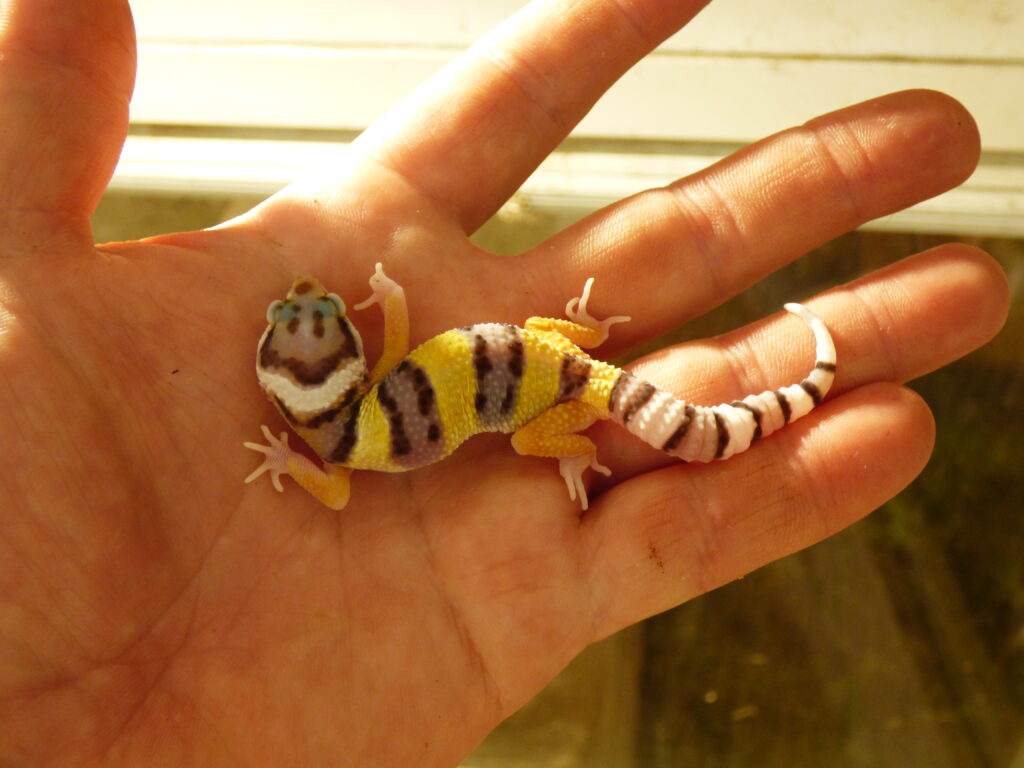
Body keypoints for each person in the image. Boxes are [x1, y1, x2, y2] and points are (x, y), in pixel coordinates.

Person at [0, 0, 1008, 765]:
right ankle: (760, 377)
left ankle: (779, 379)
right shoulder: (357, 417)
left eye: (308, 316)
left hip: (547, 380)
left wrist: (290, 449)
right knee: (550, 420)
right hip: (550, 362)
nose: (306, 306)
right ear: (316, 366)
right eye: (307, 320)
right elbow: (369, 409)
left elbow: (336, 483)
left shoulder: (340, 440)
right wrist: (403, 308)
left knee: (547, 429)